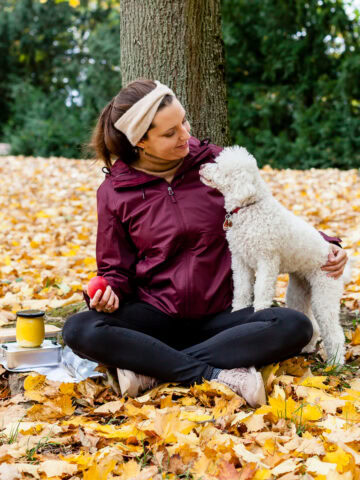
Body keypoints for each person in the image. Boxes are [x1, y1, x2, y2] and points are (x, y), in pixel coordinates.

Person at [62, 79, 348, 408]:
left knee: (295, 325)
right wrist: (108, 291)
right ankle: (216, 373)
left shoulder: (216, 164)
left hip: (224, 317)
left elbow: (267, 212)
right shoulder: (115, 191)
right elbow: (115, 269)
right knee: (80, 329)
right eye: (170, 133)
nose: (185, 134)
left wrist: (325, 243)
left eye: (183, 121)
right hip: (155, 316)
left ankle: (153, 368)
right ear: (140, 141)